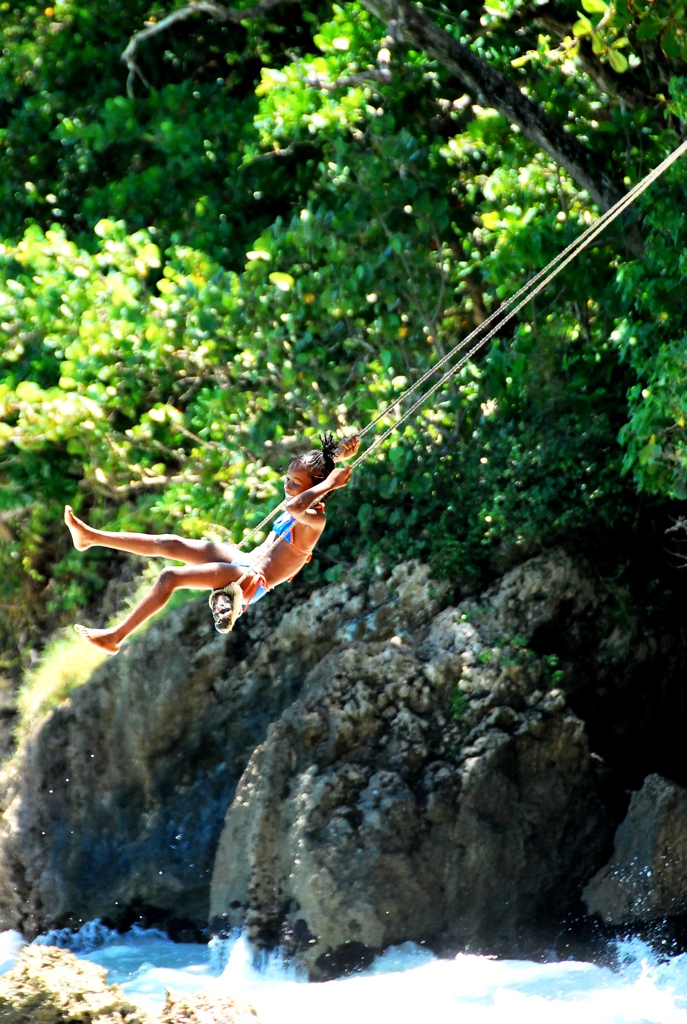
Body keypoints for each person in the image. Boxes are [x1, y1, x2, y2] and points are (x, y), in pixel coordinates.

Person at [66, 433, 360, 655]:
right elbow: (310, 484)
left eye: (296, 483)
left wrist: (330, 483)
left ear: (315, 488)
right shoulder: (306, 498)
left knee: (169, 577)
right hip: (244, 560)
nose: (288, 486)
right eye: (288, 479)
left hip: (252, 580)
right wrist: (337, 454)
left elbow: (296, 508)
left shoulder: (315, 521)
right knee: (170, 542)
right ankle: (90, 537)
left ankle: (115, 637)